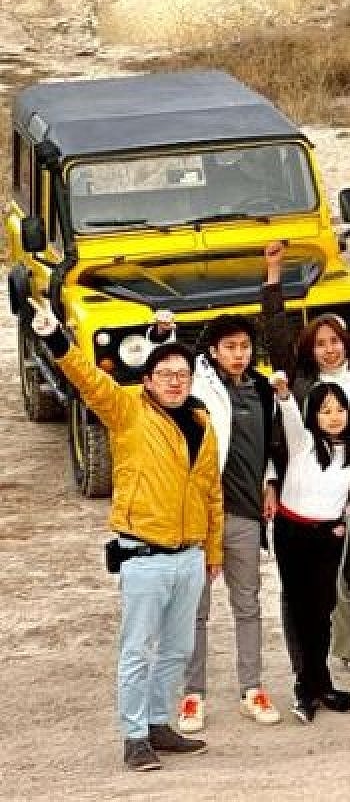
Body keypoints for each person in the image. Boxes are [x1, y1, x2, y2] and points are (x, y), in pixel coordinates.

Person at [33, 303, 220, 771]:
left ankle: (158, 722)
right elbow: (88, 379)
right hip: (144, 555)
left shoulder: (201, 423)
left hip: (190, 555)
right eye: (166, 374)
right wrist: (56, 338)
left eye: (182, 374)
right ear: (149, 379)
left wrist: (212, 552)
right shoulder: (127, 410)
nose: (175, 381)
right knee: (138, 649)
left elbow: (210, 492)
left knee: (178, 649)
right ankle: (134, 736)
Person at [259, 251, 350, 700]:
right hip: (306, 510)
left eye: (335, 341)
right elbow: (276, 334)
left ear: (346, 344)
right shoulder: (301, 384)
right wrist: (273, 277)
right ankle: (306, 674)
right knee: (301, 597)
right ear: (310, 349)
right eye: (320, 343)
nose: (329, 349)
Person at [174, 310, 284, 733]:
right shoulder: (196, 389)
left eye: (245, 347)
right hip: (201, 516)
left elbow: (269, 444)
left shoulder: (263, 389)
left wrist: (270, 481)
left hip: (245, 514)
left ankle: (252, 689)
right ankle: (192, 694)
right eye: (230, 347)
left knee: (248, 604)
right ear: (213, 351)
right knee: (195, 610)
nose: (239, 354)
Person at [269, 378, 350, 723]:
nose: (334, 416)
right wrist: (284, 394)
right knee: (300, 611)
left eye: (340, 410)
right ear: (313, 414)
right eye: (325, 411)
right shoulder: (304, 442)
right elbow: (289, 414)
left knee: (323, 609)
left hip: (328, 536)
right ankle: (306, 686)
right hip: (292, 532)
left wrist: (348, 520)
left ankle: (321, 684)